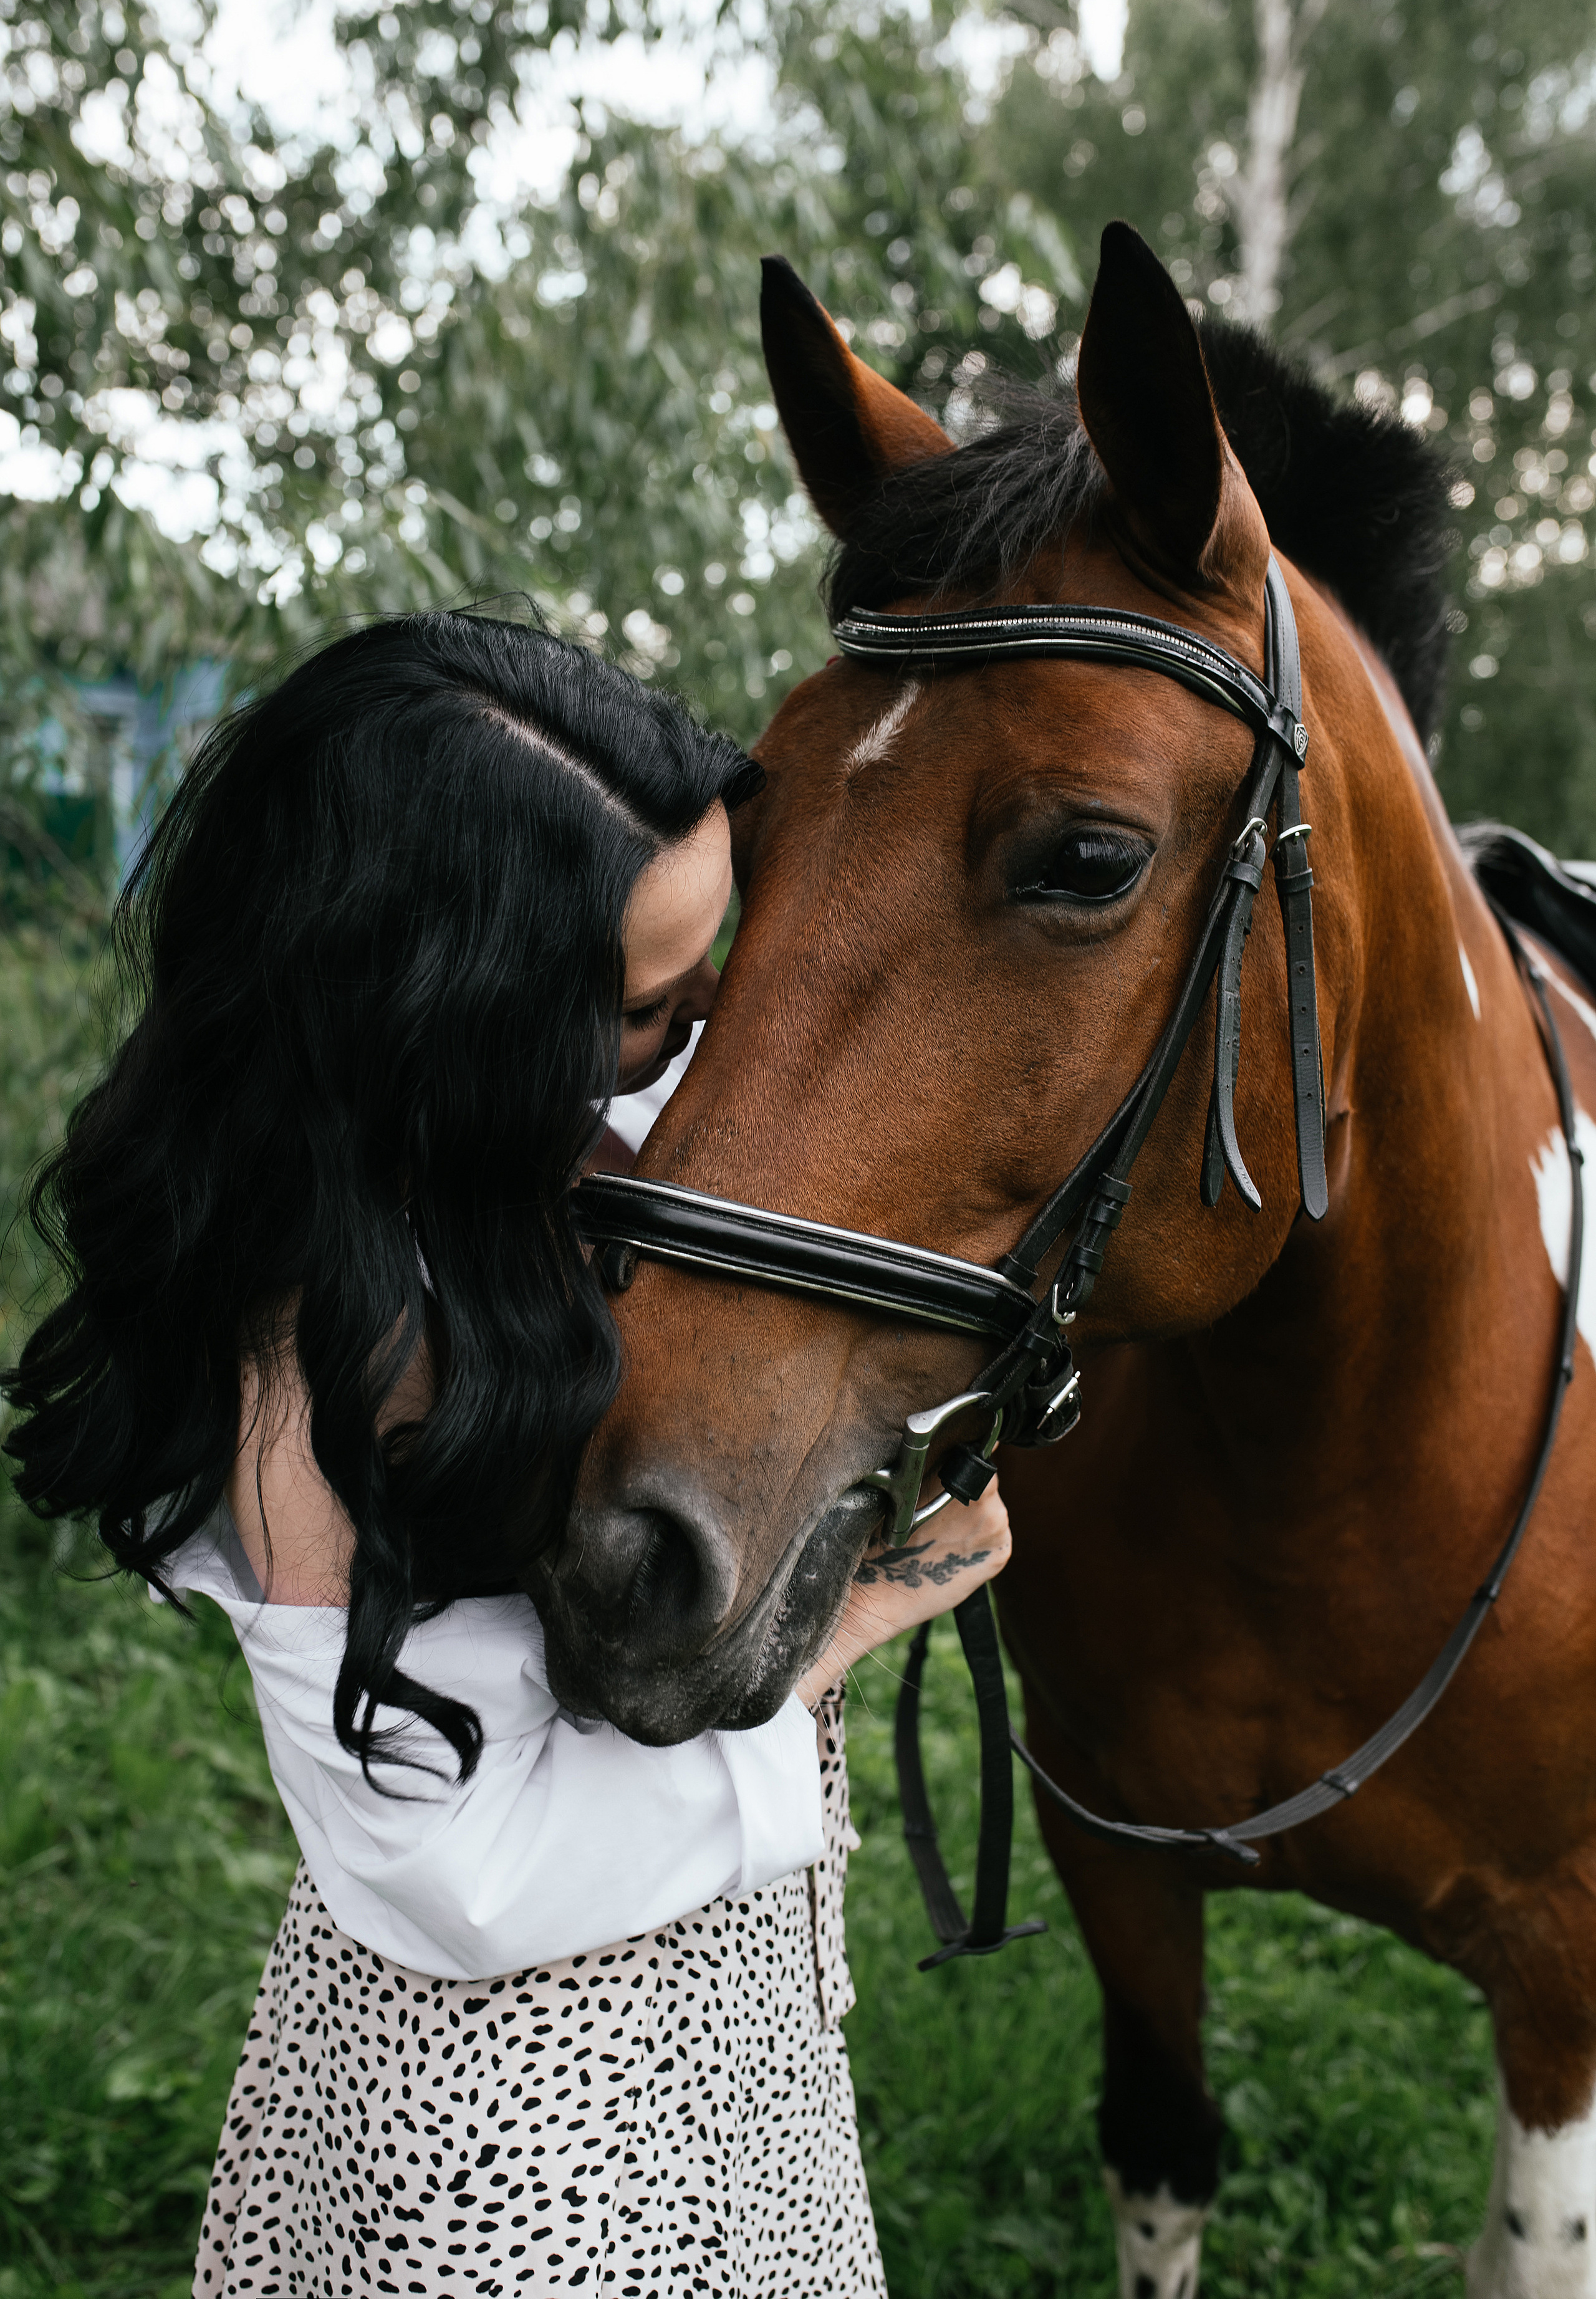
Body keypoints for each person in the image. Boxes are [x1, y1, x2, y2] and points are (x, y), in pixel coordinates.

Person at [3, 610, 1011, 2299]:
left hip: (706, 2020)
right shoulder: (322, 1353)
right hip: (522, 2129)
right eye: (649, 1005)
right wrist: (842, 1629)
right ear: (458, 1017)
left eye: (717, 959)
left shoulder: (547, 1151)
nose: (706, 1026)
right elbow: (449, 1869)